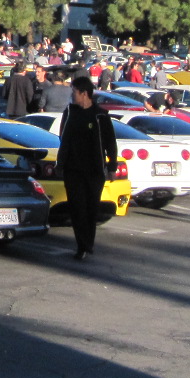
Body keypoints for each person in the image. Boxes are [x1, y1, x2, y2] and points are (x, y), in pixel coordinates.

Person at [57, 75, 117, 261]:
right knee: (77, 208)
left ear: (84, 94)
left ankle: (88, 243)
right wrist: (61, 164)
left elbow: (110, 143)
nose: (72, 95)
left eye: (74, 92)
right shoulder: (70, 112)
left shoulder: (100, 116)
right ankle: (81, 246)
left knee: (91, 208)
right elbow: (63, 139)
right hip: (73, 170)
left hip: (94, 171)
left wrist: (112, 167)